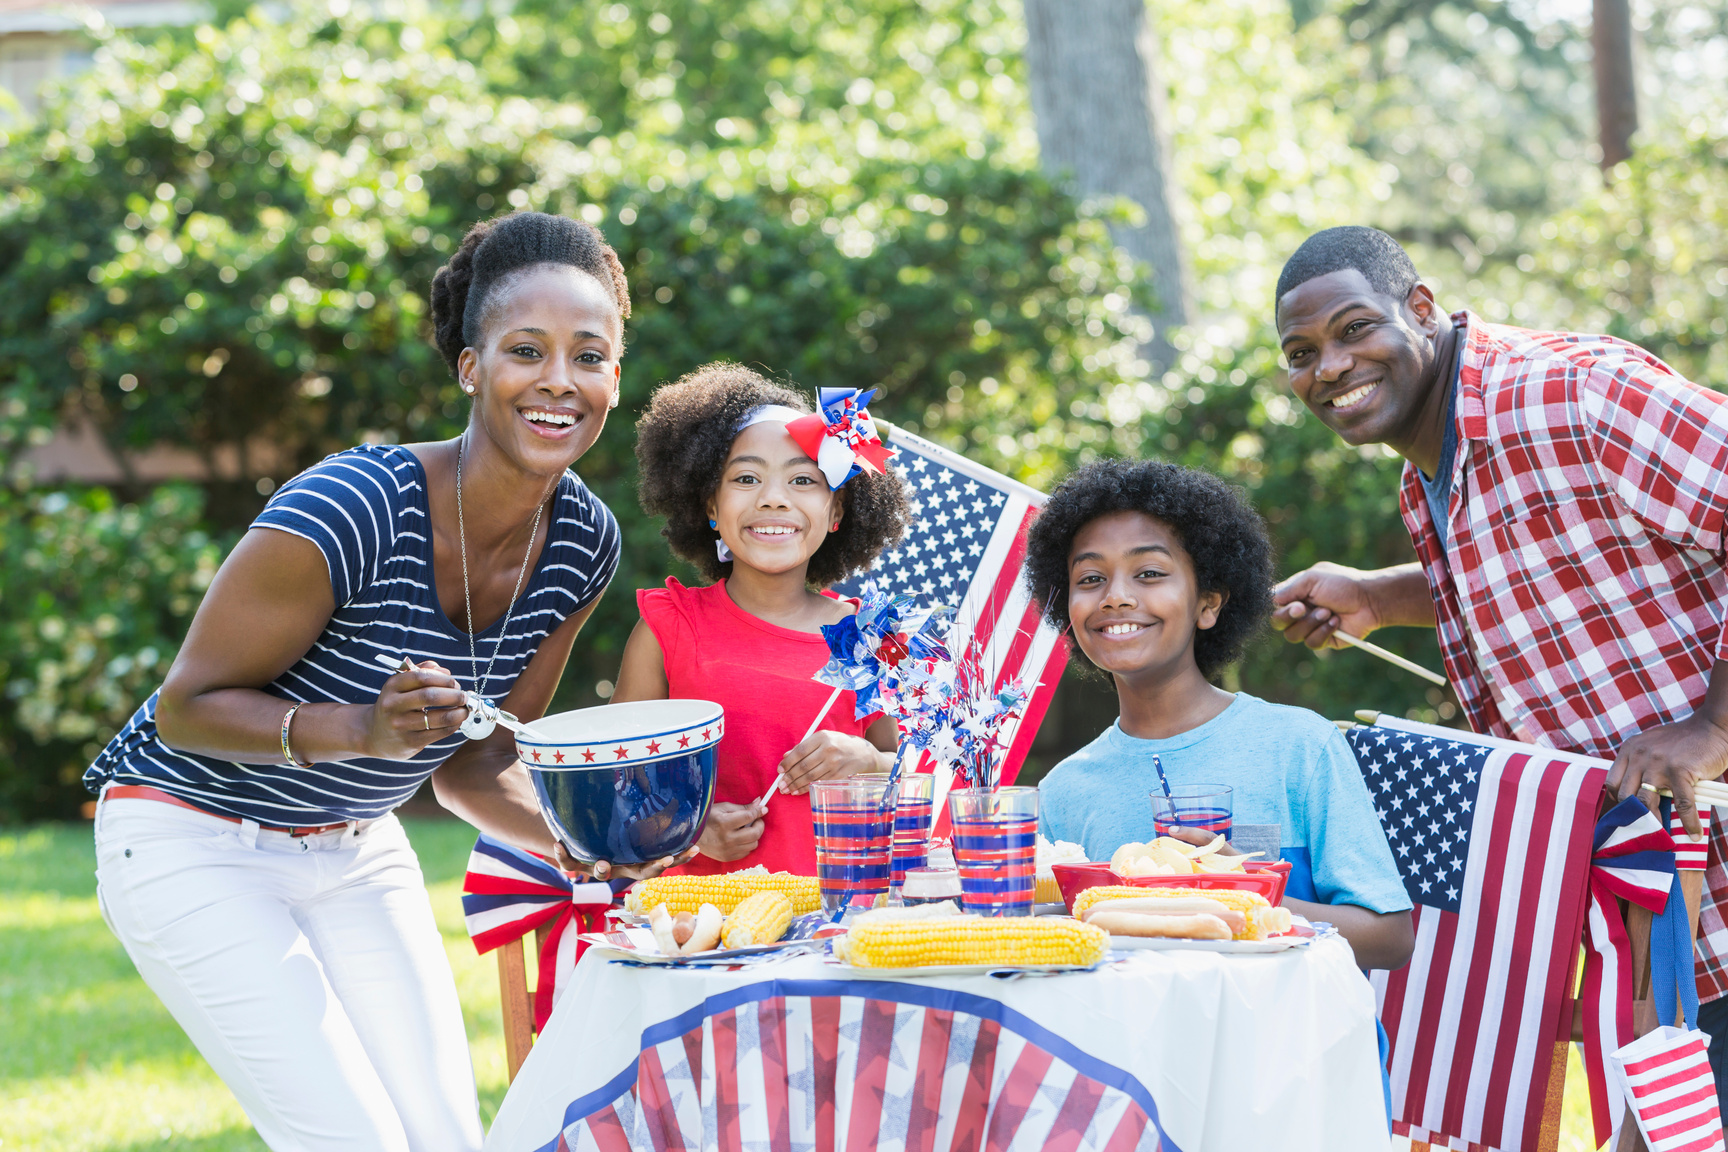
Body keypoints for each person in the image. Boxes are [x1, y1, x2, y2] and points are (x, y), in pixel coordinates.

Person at [84, 211, 682, 1152]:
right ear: (471, 366)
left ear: (616, 377)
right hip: (190, 837)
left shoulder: (581, 540)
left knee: (445, 1138)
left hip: (356, 850)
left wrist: (586, 843)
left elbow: (478, 762)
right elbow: (186, 709)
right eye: (527, 350)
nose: (560, 380)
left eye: (590, 355)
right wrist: (362, 729)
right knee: (349, 1138)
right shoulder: (354, 504)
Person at [1271, 224, 1728, 1106]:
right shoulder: (1429, 471)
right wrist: (1377, 595)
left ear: (1422, 309)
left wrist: (1713, 727)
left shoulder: (1574, 392)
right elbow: (1548, 567)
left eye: (1353, 329)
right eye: (1301, 353)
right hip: (1672, 929)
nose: (1328, 366)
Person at [1023, 458, 1415, 970]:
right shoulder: (1063, 790)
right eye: (1091, 577)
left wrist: (1240, 892)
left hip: (1288, 1046)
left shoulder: (1299, 745)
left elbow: (1389, 939)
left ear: (1208, 604)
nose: (1116, 597)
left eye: (1149, 573)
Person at [610, 364, 913, 873]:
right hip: (707, 932)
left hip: (841, 923)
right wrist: (690, 827)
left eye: (802, 479)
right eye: (747, 478)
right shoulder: (669, 628)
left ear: (836, 511)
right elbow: (614, 775)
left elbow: (924, 781)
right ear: (710, 505)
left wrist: (867, 760)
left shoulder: (872, 639)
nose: (774, 497)